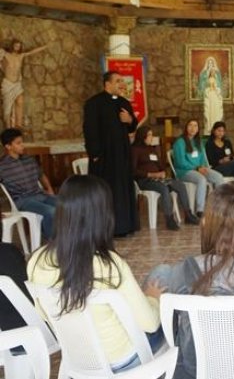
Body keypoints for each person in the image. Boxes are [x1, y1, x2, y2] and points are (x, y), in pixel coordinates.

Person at [145, 184, 234, 379]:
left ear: (205, 224)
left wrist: (155, 299)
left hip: (196, 367)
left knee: (161, 272)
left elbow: (174, 320)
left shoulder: (184, 271)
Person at [27, 175, 164, 372]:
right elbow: (149, 324)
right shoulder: (110, 264)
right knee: (169, 308)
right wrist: (154, 299)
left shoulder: (36, 260)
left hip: (77, 358)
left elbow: (44, 315)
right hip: (123, 360)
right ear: (103, 215)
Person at [83, 71, 139, 237]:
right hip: (104, 158)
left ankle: (124, 226)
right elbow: (89, 129)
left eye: (122, 81)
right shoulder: (94, 103)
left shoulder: (123, 102)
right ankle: (104, 228)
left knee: (122, 191)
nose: (122, 84)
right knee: (105, 192)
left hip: (122, 156)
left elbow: (132, 127)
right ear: (107, 84)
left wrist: (129, 120)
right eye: (118, 81)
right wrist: (94, 153)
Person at [131, 125, 198, 230]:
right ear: (142, 136)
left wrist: (162, 172)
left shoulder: (151, 149)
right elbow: (133, 171)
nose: (151, 137)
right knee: (164, 188)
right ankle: (169, 219)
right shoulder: (135, 150)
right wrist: (151, 174)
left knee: (180, 185)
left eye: (152, 135)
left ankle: (188, 214)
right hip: (145, 180)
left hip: (159, 179)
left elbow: (160, 165)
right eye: (149, 135)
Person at [0, 128, 56, 237]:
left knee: (69, 205)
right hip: (23, 200)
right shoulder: (2, 166)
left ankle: (70, 239)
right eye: (18, 143)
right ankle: (53, 242)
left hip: (40, 195)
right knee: (51, 211)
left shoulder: (29, 159)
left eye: (22, 142)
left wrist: (49, 189)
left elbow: (41, 175)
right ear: (8, 146)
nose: (23, 146)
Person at [171, 119, 225, 216]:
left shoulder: (198, 142)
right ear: (186, 127)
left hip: (199, 169)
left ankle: (220, 207)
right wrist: (196, 168)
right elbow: (180, 162)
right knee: (201, 179)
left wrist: (203, 167)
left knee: (219, 177)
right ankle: (200, 210)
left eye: (195, 126)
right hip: (184, 171)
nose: (193, 128)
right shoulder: (180, 142)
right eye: (190, 125)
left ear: (198, 129)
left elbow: (203, 159)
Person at [0, 39, 47, 128]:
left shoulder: (21, 56)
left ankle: (18, 126)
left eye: (19, 46)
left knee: (20, 102)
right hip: (8, 84)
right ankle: (9, 128)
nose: (17, 48)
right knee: (7, 109)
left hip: (17, 84)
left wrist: (44, 47)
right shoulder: (6, 55)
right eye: (16, 46)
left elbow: (32, 52)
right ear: (12, 46)